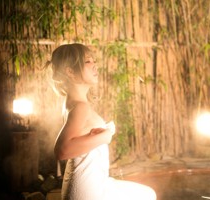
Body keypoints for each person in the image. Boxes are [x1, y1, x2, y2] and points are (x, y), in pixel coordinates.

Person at [48, 43, 157, 200]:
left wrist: (95, 136)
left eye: (94, 60)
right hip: (87, 189)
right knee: (147, 195)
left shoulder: (73, 103)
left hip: (93, 183)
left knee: (147, 194)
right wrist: (104, 137)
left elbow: (77, 139)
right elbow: (62, 151)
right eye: (88, 61)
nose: (95, 65)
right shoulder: (80, 107)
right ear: (70, 71)